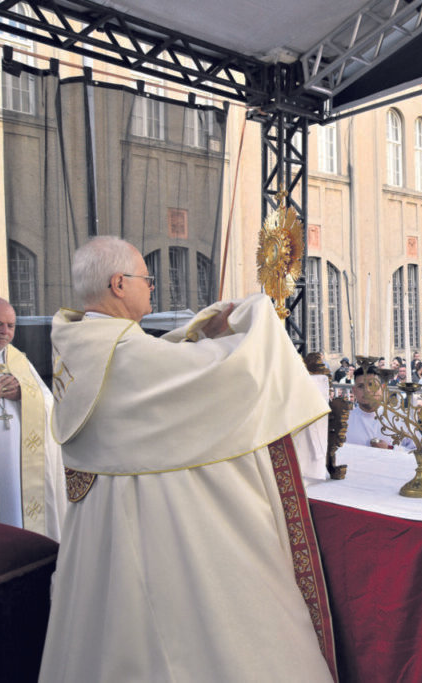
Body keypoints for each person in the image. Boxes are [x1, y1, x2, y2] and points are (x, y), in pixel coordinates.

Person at [40, 237, 335, 682]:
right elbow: (232, 372)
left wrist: (196, 333)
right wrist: (254, 316)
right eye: (146, 279)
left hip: (98, 532)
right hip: (160, 536)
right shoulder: (125, 356)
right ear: (118, 284)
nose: (152, 288)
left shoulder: (79, 347)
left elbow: (160, 362)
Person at [0, 297, 66, 541]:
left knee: (18, 527)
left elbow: (49, 403)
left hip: (20, 467)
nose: (5, 331)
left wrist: (24, 394)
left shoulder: (17, 360)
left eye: (11, 326)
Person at [345, 366, 399, 449]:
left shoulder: (398, 418)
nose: (367, 390)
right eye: (361, 386)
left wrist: (389, 448)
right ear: (354, 391)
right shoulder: (345, 421)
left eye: (372, 385)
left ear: (382, 388)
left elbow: (416, 451)